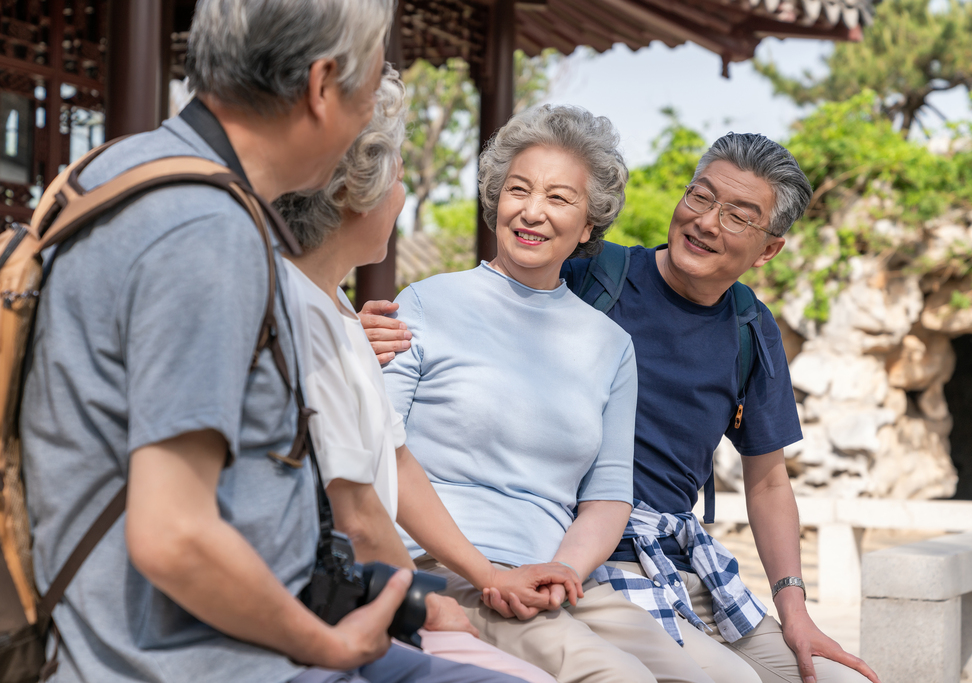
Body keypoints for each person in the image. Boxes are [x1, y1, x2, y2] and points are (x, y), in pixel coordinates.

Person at [19, 2, 518, 682]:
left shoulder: (119, 167)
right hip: (196, 659)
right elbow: (173, 535)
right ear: (320, 85)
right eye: (371, 85)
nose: (372, 110)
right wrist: (325, 644)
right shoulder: (205, 230)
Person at [362, 133, 881, 683]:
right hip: (601, 559)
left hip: (676, 558)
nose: (706, 222)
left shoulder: (746, 328)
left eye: (737, 217)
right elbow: (497, 302)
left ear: (769, 248)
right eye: (700, 197)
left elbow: (769, 481)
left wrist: (794, 612)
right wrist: (359, 333)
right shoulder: (592, 276)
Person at [377, 104, 743, 683]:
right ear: (495, 198)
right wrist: (487, 573)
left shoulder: (609, 345)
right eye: (517, 190)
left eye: (558, 198)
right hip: (449, 565)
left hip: (558, 579)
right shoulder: (424, 304)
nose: (532, 211)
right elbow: (378, 457)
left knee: (727, 680)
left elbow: (607, 498)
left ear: (590, 224)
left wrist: (561, 571)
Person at [273, 64, 565, 683]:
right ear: (357, 192)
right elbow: (354, 511)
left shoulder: (338, 309)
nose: (405, 196)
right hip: (332, 610)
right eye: (401, 176)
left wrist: (484, 577)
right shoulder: (310, 319)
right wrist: (429, 603)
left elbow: (394, 462)